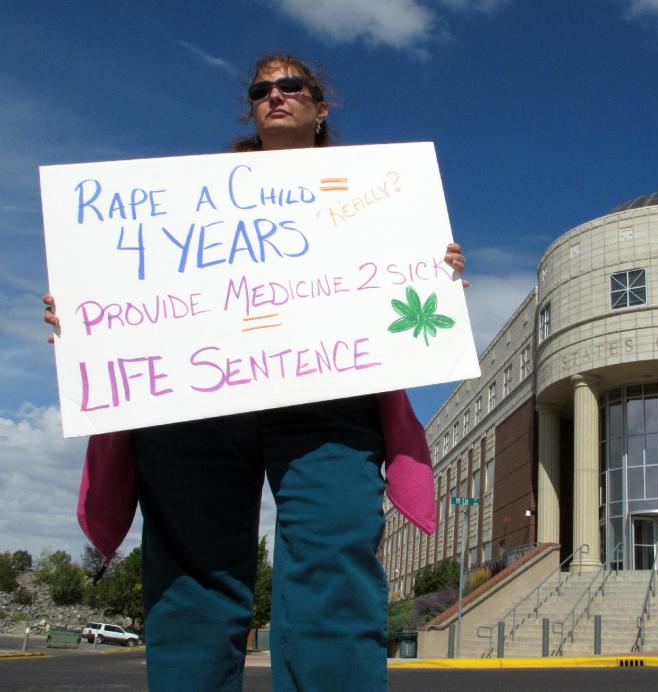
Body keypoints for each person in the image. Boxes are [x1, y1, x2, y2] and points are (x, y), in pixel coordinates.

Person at [43, 54, 466, 691]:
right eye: (261, 89)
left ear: (319, 107)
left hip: (329, 400)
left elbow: (393, 290)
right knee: (193, 574)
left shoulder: (377, 194)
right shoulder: (183, 203)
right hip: (195, 404)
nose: (275, 95)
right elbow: (121, 277)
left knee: (334, 560)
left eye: (291, 85)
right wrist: (82, 301)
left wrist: (434, 266)